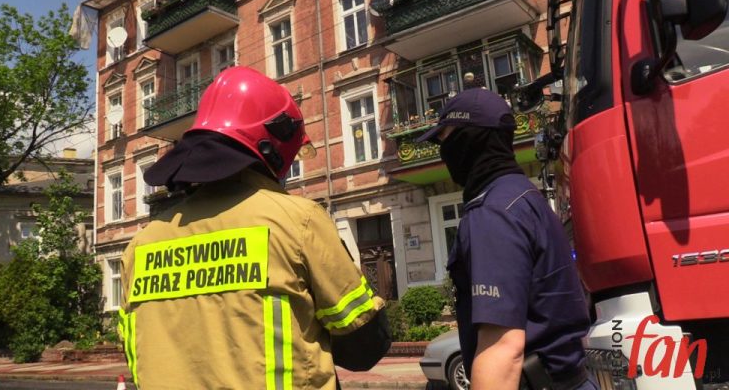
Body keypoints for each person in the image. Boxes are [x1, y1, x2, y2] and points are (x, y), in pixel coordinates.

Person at [117, 66, 391, 389]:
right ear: (271, 150)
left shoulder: (140, 246)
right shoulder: (298, 222)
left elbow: (138, 358)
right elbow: (365, 346)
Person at [416, 88, 597, 390]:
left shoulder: (492, 213)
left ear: (469, 140)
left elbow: (503, 349)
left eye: (443, 139)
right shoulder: (527, 197)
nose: (442, 150)